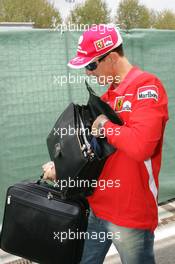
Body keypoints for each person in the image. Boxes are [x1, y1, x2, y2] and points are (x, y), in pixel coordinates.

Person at [42, 24, 168, 264]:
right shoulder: (107, 97)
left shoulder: (147, 87)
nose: (89, 73)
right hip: (98, 208)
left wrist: (105, 126)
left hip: (130, 215)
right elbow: (92, 152)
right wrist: (63, 167)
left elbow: (141, 146)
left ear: (111, 58)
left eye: (91, 65)